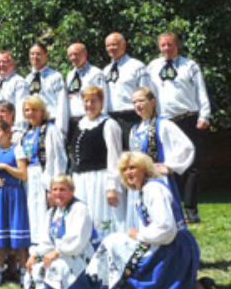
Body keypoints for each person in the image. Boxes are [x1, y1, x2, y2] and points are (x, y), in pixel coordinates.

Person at [86, 152, 221, 289]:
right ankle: (197, 287)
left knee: (114, 244)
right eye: (124, 170)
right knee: (115, 241)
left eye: (133, 168)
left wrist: (139, 235)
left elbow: (166, 228)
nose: (128, 173)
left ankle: (107, 287)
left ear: (145, 169)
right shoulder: (145, 189)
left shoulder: (154, 190)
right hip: (168, 243)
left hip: (174, 248)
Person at [147, 32, 211, 223]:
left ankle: (191, 209)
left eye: (170, 45)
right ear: (159, 47)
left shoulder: (190, 66)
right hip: (164, 121)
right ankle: (168, 209)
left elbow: (201, 90)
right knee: (164, 164)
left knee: (191, 166)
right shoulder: (152, 67)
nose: (167, 48)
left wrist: (204, 115)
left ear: (177, 46)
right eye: (163, 45)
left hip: (187, 119)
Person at [126, 87, 195, 230]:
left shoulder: (163, 124)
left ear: (152, 102)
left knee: (162, 220)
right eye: (134, 102)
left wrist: (169, 166)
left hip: (158, 181)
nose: (137, 105)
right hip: (138, 183)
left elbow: (186, 147)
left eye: (141, 101)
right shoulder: (134, 130)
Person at [24, 174, 98, 289]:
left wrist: (57, 252)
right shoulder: (52, 212)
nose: (58, 193)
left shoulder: (80, 209)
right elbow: (46, 240)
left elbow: (77, 240)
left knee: (56, 267)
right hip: (58, 254)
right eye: (55, 189)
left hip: (78, 255)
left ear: (72, 191)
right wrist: (34, 255)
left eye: (62, 189)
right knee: (35, 267)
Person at [67, 86, 124, 239]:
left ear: (101, 102)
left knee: (101, 219)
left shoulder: (108, 124)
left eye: (94, 101)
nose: (90, 105)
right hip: (81, 180)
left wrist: (112, 186)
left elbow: (114, 157)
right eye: (86, 101)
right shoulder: (80, 124)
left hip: (100, 179)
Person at [21, 96, 67, 245]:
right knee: (31, 215)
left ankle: (47, 246)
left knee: (44, 214)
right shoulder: (26, 133)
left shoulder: (50, 130)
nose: (30, 113)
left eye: (34, 110)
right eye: (27, 110)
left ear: (42, 111)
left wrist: (54, 187)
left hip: (44, 175)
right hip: (29, 177)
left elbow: (58, 159)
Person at [0, 119, 30, 285]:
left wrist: (5, 167)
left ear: (7, 132)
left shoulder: (17, 149)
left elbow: (23, 174)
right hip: (0, 195)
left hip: (15, 194)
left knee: (18, 234)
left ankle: (24, 272)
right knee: (1, 236)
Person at [103, 33, 153, 150]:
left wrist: (147, 118)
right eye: (108, 46)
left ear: (123, 45)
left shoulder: (136, 66)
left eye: (114, 44)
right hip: (111, 118)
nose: (111, 48)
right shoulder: (105, 71)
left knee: (134, 153)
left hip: (132, 116)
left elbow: (146, 92)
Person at [65, 43, 107, 142]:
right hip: (73, 121)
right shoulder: (70, 75)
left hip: (90, 120)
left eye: (76, 54)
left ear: (85, 54)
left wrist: (101, 123)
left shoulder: (95, 73)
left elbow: (103, 99)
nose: (73, 58)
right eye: (70, 55)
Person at [25, 43, 68, 138]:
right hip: (33, 125)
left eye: (38, 54)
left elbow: (62, 104)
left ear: (46, 55)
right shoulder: (27, 79)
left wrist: (61, 130)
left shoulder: (56, 77)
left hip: (51, 123)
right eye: (32, 54)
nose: (35, 57)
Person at [0, 50, 27, 131]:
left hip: (11, 131)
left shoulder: (19, 82)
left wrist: (19, 130)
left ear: (12, 63)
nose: (1, 65)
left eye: (4, 62)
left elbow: (21, 107)